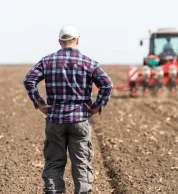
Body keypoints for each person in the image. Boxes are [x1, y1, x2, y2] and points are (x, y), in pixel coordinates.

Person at [23, 26, 113, 194]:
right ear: (77, 40)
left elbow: (29, 80)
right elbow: (107, 85)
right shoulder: (89, 62)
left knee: (54, 162)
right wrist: (96, 107)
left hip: (55, 119)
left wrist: (40, 104)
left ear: (60, 42)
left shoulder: (47, 61)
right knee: (81, 163)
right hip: (80, 120)